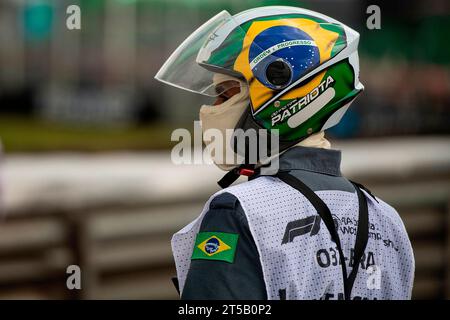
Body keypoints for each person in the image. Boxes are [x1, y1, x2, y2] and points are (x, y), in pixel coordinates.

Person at [155, 6, 414, 300]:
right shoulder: (387, 220)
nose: (210, 109)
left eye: (226, 93)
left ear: (284, 98)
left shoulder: (238, 213)